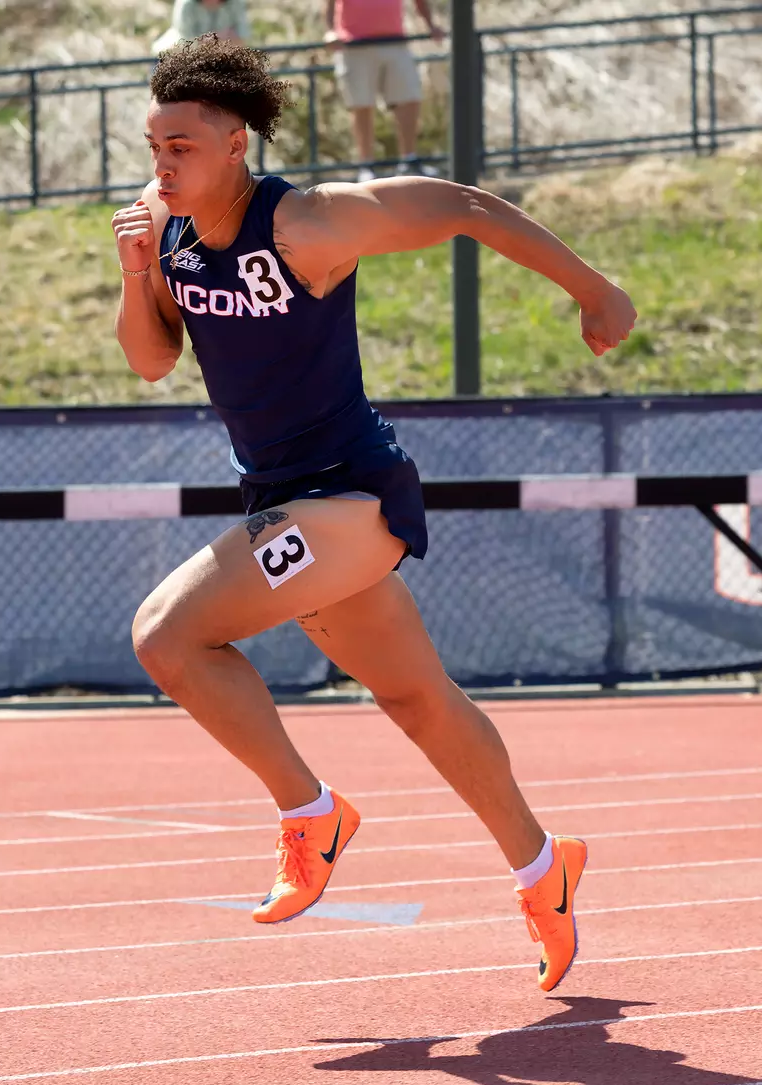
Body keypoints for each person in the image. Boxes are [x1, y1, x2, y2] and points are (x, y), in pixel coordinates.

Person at [110, 35, 636, 992]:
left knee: (166, 638)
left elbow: (465, 208)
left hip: (352, 495)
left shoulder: (309, 225)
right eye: (153, 147)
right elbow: (151, 360)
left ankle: (310, 813)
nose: (162, 165)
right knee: (418, 702)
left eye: (181, 147)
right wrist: (135, 273)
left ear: (235, 145)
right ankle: (543, 866)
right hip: (284, 506)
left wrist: (592, 289)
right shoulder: (163, 226)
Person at [324, 0, 443, 180]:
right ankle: (367, 165)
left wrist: (431, 25)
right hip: (354, 45)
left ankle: (409, 160)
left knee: (409, 98)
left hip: (395, 41)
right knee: (361, 105)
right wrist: (330, 31)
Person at [154, 0, 251, 53]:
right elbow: (187, 41)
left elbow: (242, 37)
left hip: (225, 56)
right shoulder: (186, 4)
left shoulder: (236, 3)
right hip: (184, 56)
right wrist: (220, 37)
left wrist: (211, 40)